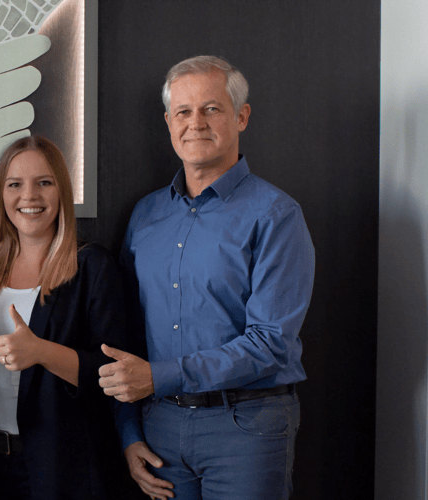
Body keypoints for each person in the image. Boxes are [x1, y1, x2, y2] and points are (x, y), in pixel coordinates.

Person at [99, 56, 316, 500]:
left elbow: (270, 342)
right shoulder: (145, 215)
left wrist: (160, 377)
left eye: (211, 108)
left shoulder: (276, 215)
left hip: (246, 428)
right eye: (183, 111)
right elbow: (126, 335)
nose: (195, 122)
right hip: (160, 429)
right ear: (168, 121)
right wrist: (128, 434)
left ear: (242, 116)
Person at [0, 135, 130, 499]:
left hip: (63, 468)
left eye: (44, 183)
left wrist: (41, 352)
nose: (29, 196)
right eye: (15, 184)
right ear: (1, 195)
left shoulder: (92, 267)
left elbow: (115, 373)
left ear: (61, 192)